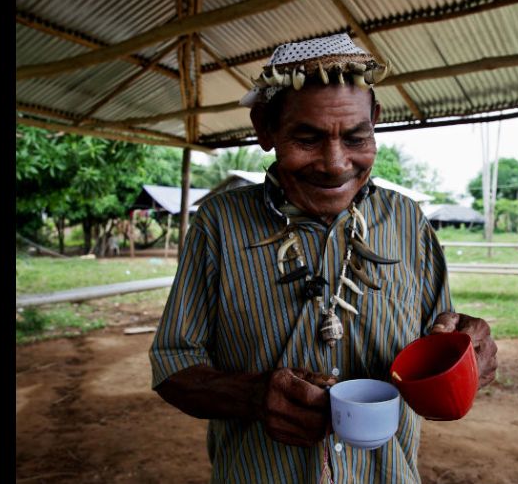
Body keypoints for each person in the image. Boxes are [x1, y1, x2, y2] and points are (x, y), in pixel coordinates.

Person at [149, 33, 497, 484]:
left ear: (375, 121)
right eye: (307, 138)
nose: (335, 164)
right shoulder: (220, 223)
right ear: (265, 127)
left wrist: (470, 348)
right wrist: (254, 397)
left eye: (356, 137)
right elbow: (173, 365)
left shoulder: (408, 222)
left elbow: (440, 342)